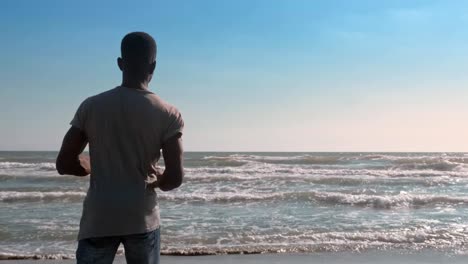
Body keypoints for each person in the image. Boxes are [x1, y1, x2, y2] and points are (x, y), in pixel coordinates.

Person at [56, 32, 184, 264]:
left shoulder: (92, 106)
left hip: (99, 217)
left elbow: (64, 163)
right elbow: (175, 178)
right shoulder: (167, 113)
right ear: (153, 65)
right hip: (141, 217)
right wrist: (158, 181)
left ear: (120, 63)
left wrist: (89, 166)